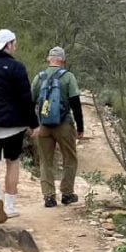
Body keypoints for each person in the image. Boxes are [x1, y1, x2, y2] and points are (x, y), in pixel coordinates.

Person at [0, 29, 39, 218]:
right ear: (8, 45)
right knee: (13, 162)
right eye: (14, 43)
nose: (16, 46)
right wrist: (34, 123)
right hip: (15, 125)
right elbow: (25, 98)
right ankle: (9, 206)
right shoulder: (18, 68)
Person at [31, 46, 84, 207]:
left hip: (43, 126)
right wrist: (80, 127)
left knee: (45, 161)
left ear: (49, 59)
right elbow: (75, 104)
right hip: (64, 125)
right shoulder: (68, 77)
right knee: (70, 159)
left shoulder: (39, 78)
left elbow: (29, 102)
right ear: (63, 61)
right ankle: (67, 194)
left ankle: (49, 197)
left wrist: (34, 124)